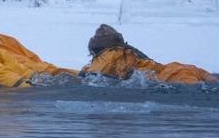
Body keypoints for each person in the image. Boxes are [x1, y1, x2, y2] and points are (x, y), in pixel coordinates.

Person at [80, 24, 217, 83]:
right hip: (183, 70)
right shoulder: (127, 51)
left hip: (176, 76)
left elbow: (91, 76)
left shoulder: (109, 53)